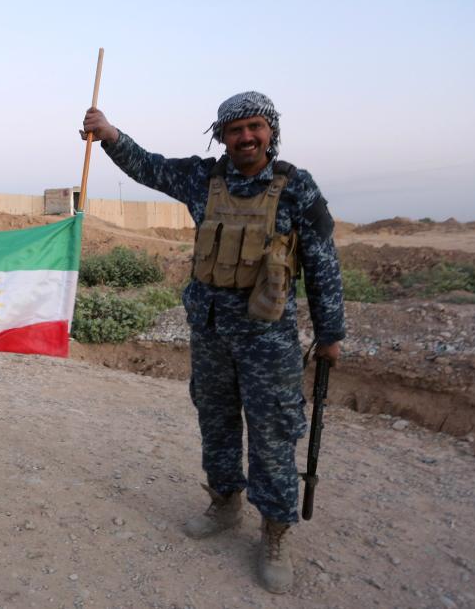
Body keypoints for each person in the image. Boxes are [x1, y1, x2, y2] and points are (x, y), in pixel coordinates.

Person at [82, 91, 345, 594]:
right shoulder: (205, 178)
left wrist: (331, 333)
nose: (245, 137)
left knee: (272, 433)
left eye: (254, 128)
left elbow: (322, 264)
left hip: (269, 338)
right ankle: (225, 503)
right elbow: (149, 167)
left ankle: (274, 530)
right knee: (217, 419)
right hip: (210, 331)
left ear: (271, 131)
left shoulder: (296, 188)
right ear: (220, 136)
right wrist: (110, 134)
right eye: (234, 129)